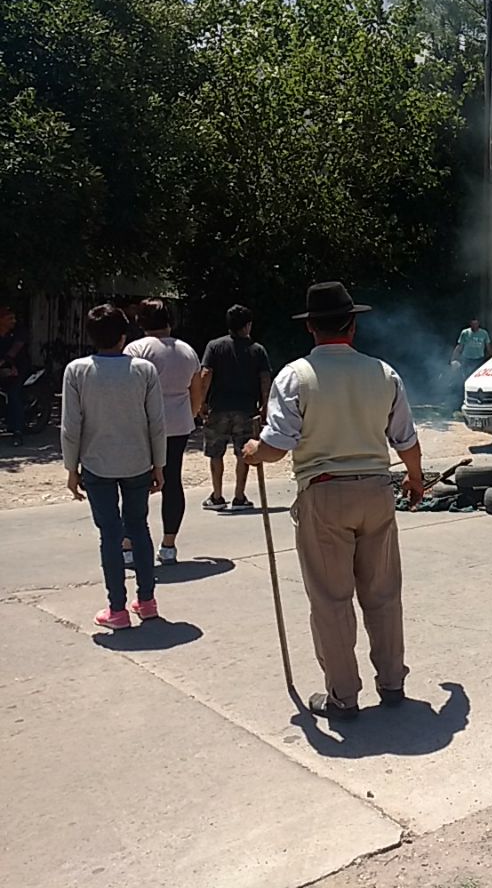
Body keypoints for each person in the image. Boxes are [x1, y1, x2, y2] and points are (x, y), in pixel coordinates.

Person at [243, 282, 425, 721]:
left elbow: (277, 445)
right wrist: (416, 480)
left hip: (324, 493)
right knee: (383, 593)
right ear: (354, 325)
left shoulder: (295, 376)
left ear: (310, 328)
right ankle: (392, 681)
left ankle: (344, 695)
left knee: (331, 598)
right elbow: (406, 439)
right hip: (377, 490)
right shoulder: (384, 373)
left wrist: (253, 452)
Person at [61, 304, 166, 629]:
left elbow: (71, 425)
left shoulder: (77, 371)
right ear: (124, 335)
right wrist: (159, 464)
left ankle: (116, 610)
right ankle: (147, 602)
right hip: (137, 461)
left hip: (97, 464)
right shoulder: (144, 370)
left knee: (110, 535)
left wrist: (71, 467)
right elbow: (156, 423)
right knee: (139, 528)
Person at [124, 299, 203, 564]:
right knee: (172, 481)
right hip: (178, 424)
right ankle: (168, 545)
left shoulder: (136, 349)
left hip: (143, 424)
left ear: (141, 322)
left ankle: (128, 543)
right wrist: (188, 415)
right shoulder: (187, 351)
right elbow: (197, 393)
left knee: (135, 484)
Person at [198, 304, 271, 511]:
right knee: (243, 453)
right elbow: (265, 379)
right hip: (246, 409)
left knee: (215, 453)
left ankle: (217, 496)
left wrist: (201, 402)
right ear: (248, 325)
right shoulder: (257, 350)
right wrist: (265, 406)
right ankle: (239, 497)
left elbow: (206, 374)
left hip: (218, 407)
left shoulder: (215, 346)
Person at [0, 305, 31, 446]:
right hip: (3, 368)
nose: (13, 321)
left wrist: (6, 364)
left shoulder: (19, 332)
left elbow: (14, 351)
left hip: (19, 368)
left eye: (14, 318)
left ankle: (17, 432)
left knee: (13, 394)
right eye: (9, 318)